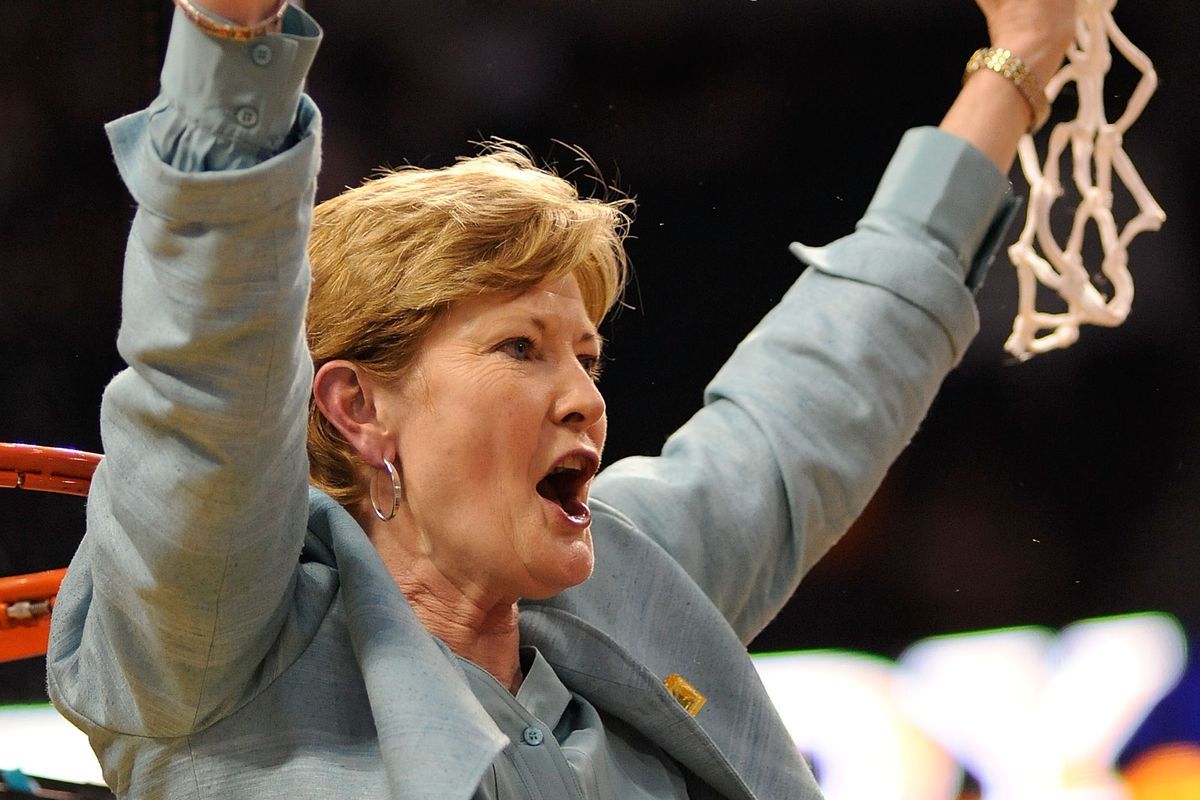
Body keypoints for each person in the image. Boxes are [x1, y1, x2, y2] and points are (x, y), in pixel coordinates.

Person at [46, 1, 1075, 798]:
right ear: (359, 408)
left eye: (584, 353)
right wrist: (232, 40)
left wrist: (1016, 67)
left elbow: (809, 404)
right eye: (521, 347)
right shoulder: (220, 637)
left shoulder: (623, 587)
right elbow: (208, 378)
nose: (584, 395)